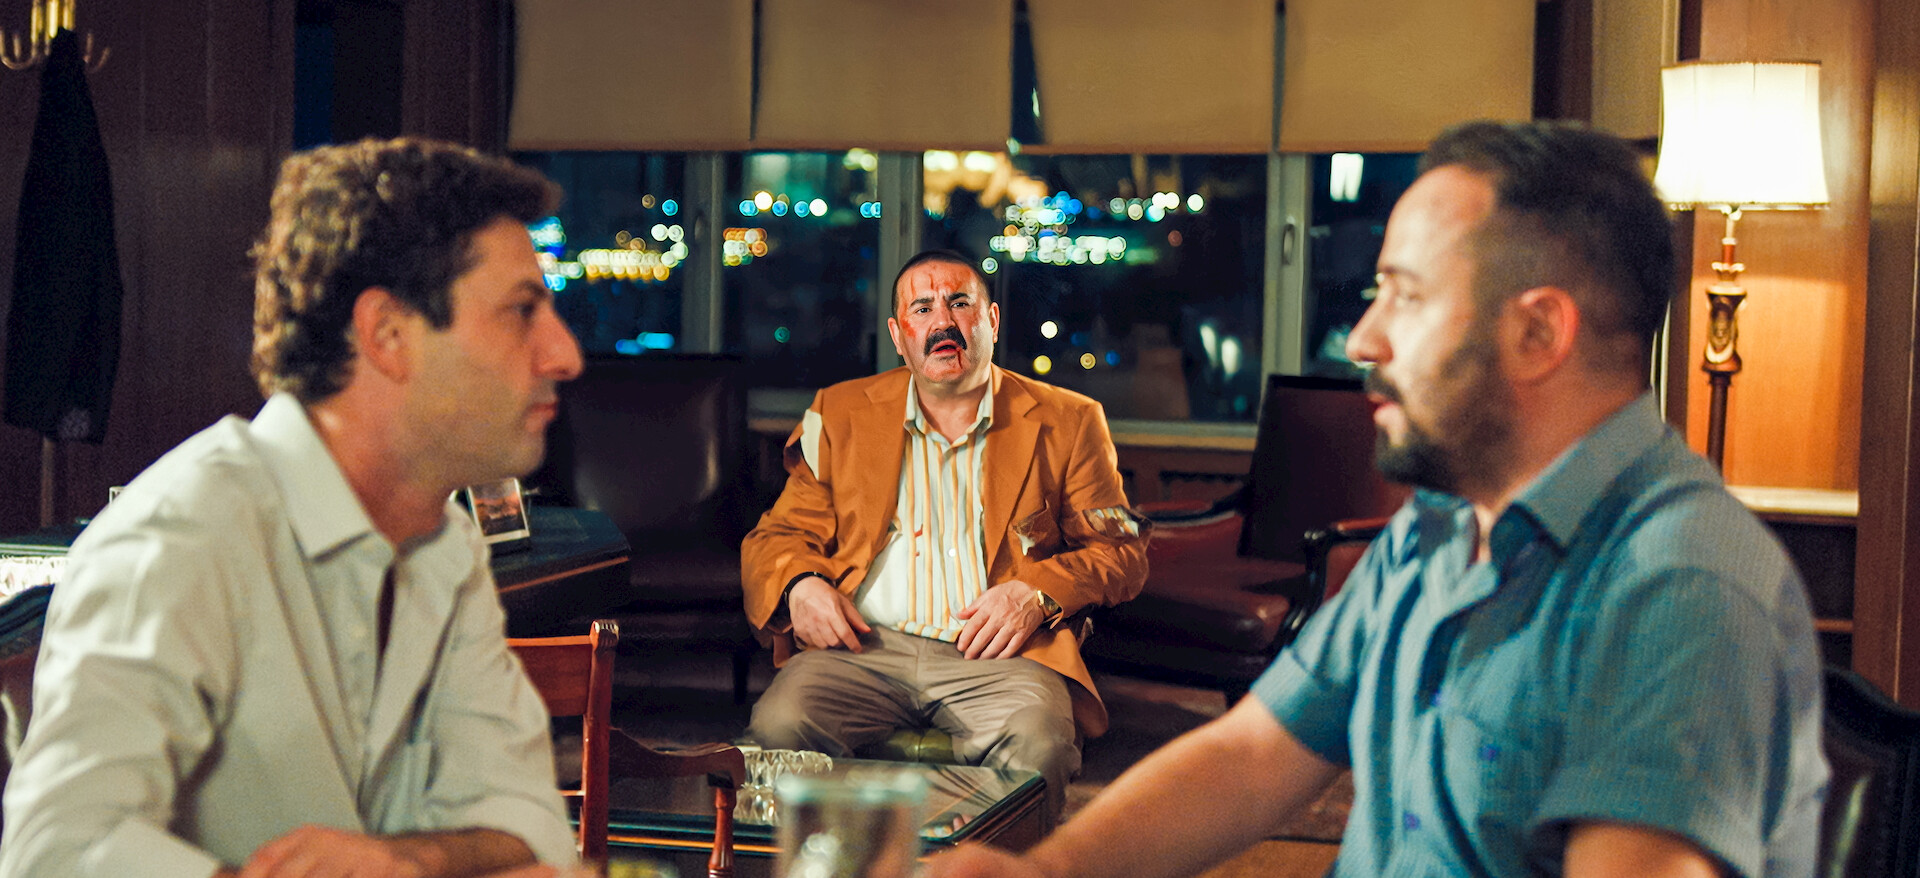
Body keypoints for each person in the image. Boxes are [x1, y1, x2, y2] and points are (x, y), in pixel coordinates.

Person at [926, 121, 1827, 878]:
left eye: (1406, 295)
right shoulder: (1436, 527)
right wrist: (1045, 872)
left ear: (1538, 331)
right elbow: (1254, 755)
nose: (1362, 338)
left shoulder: (1679, 590)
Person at [0, 138, 587, 878]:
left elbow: (530, 825)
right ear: (388, 335)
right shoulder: (181, 537)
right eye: (521, 311)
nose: (565, 354)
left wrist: (402, 862)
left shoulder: (444, 544)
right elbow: (55, 852)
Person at [741, 250, 1151, 822]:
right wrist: (801, 585)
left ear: (992, 320)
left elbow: (1121, 551)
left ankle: (993, 864)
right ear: (898, 335)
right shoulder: (839, 413)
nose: (943, 322)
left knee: (1041, 748)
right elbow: (779, 535)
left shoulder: (1070, 420)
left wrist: (1037, 594)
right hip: (862, 647)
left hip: (1003, 655)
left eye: (960, 303)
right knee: (777, 729)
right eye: (922, 308)